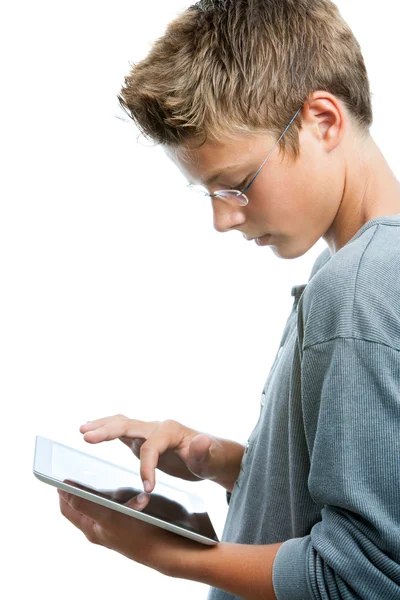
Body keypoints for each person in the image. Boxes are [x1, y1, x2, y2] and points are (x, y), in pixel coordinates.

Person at [57, 1, 400, 598]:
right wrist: (221, 461)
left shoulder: (358, 287)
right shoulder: (357, 268)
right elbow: (353, 502)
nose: (222, 219)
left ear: (323, 120)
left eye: (236, 185)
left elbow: (357, 577)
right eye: (208, 193)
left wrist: (173, 556)